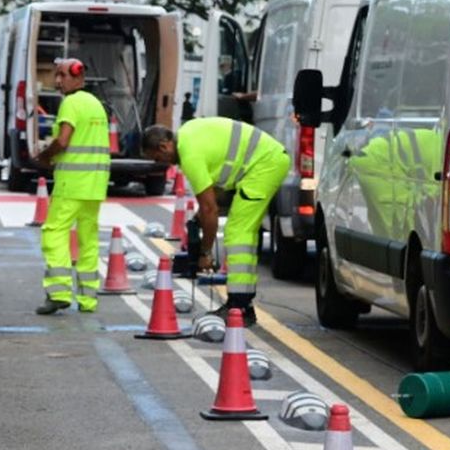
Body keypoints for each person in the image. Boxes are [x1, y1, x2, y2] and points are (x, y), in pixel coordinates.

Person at [143, 116, 289, 326]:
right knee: (239, 230)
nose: (160, 164)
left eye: (157, 158)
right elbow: (214, 195)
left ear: (164, 146)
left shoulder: (190, 155)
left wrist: (205, 253)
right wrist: (202, 216)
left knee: (238, 233)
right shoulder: (187, 134)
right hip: (264, 161)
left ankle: (239, 307)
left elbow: (210, 208)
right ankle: (242, 305)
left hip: (265, 165)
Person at [33, 57, 110, 315]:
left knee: (54, 232)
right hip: (95, 185)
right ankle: (88, 300)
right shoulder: (96, 105)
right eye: (57, 75)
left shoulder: (71, 103)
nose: (57, 81)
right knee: (88, 240)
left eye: (62, 75)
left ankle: (59, 292)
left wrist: (45, 156)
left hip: (72, 184)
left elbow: (63, 140)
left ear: (77, 76)